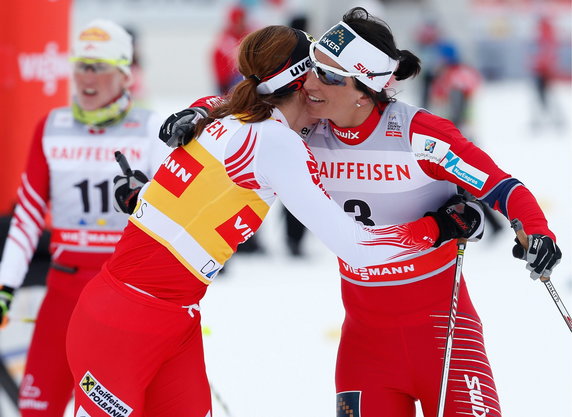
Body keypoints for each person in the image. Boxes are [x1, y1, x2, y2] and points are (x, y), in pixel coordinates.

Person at [65, 25, 484, 417]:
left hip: (175, 320)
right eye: (322, 74)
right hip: (123, 323)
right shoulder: (274, 141)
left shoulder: (236, 118)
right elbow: (355, 247)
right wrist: (438, 228)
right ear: (303, 84)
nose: (327, 86)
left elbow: (191, 199)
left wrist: (141, 196)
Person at [302, 8, 561, 417]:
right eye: (312, 67)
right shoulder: (303, 132)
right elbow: (236, 121)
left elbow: (501, 186)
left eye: (330, 76)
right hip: (365, 349)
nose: (310, 84)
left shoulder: (418, 134)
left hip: (446, 338)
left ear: (364, 88)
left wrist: (536, 230)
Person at [0, 19, 167, 416]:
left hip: (121, 289)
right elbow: (26, 216)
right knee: (35, 405)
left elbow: (174, 218)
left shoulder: (150, 129)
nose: (86, 77)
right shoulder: (51, 127)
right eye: (80, 65)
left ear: (124, 73)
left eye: (99, 67)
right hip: (64, 288)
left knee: (110, 407)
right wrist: (5, 285)